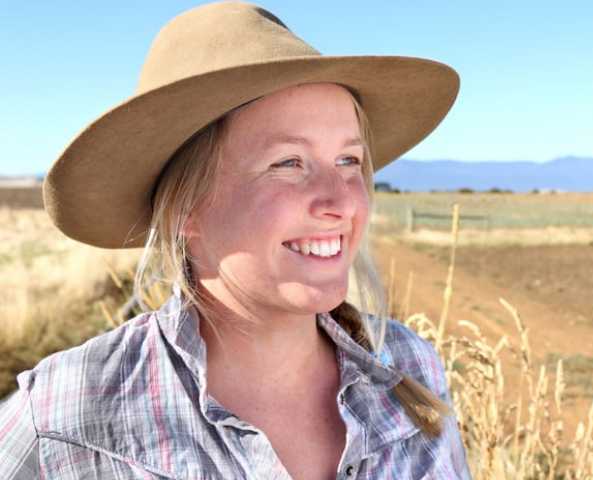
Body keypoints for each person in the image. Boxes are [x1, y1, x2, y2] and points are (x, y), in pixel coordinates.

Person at [0, 2, 468, 478]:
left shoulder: (410, 368)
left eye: (348, 161)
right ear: (185, 209)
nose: (342, 202)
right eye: (288, 163)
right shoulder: (67, 414)